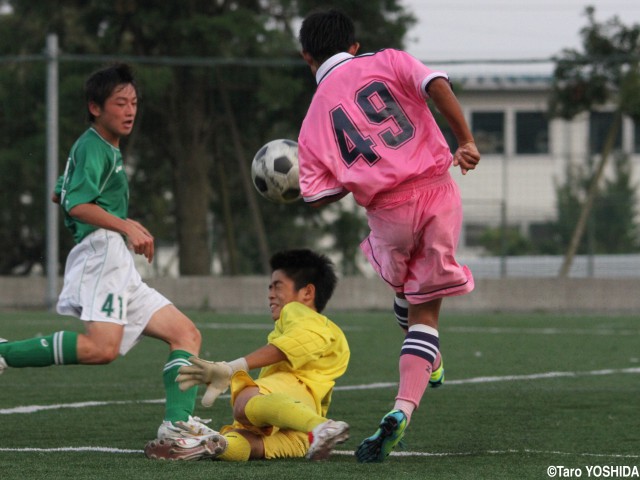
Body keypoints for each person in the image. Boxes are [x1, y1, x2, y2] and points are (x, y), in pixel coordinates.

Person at [296, 10, 481, 463]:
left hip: (387, 212)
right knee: (424, 312)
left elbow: (319, 195)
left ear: (307, 58)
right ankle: (403, 406)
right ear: (354, 45)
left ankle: (430, 362)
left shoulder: (313, 118)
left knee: (407, 295)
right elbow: (437, 84)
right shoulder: (389, 60)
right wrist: (466, 140)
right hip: (437, 194)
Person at [0, 63, 215, 442]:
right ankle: (6, 353)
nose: (130, 110)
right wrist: (124, 225)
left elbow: (60, 193)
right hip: (101, 253)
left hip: (116, 259)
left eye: (134, 102)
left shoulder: (100, 148)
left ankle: (176, 426)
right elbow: (76, 205)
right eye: (120, 102)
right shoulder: (94, 146)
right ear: (96, 107)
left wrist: (119, 222)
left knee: (185, 334)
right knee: (102, 349)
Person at [144, 249, 350, 462]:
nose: (270, 293)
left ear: (307, 293)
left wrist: (231, 368)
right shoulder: (319, 329)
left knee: (245, 400)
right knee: (245, 438)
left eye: (277, 286)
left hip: (299, 401)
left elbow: (294, 345)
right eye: (269, 287)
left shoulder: (300, 313)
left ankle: (322, 427)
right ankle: (212, 445)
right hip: (301, 421)